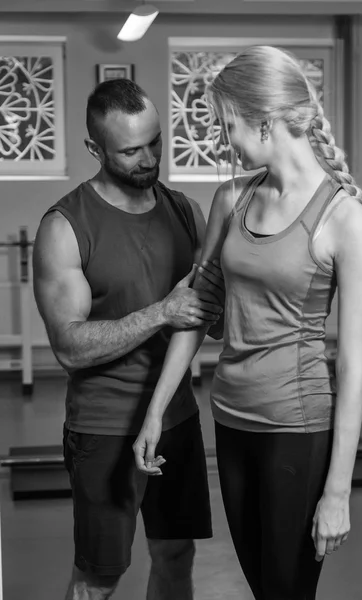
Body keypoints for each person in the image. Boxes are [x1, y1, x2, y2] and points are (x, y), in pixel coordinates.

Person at [133, 46, 362, 600]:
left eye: (229, 125)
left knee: (286, 590)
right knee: (262, 584)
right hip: (230, 418)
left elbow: (352, 368)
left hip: (296, 429)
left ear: (264, 121)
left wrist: (338, 492)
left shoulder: (346, 221)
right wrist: (155, 410)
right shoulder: (231, 198)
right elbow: (197, 310)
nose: (227, 140)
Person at [32, 78, 225, 600]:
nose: (149, 159)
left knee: (176, 554)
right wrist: (161, 312)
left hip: (177, 418)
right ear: (96, 149)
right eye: (131, 150)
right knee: (99, 576)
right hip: (105, 425)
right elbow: (69, 347)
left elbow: (213, 316)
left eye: (156, 142)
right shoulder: (65, 227)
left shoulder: (185, 210)